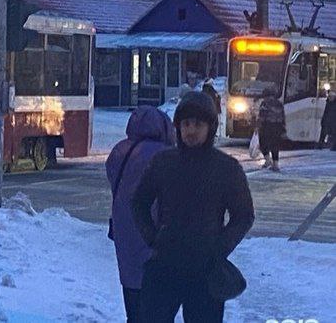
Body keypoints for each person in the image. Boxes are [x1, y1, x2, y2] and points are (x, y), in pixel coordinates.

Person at [132, 91, 254, 322]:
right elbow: (139, 202)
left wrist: (218, 248)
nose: (191, 130)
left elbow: (244, 215)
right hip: (165, 265)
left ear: (210, 127)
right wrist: (153, 238)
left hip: (205, 270)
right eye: (186, 124)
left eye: (198, 124)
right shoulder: (163, 162)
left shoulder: (226, 168)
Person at [106, 106, 176, 322]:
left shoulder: (119, 151)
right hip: (156, 232)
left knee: (132, 289)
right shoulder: (166, 154)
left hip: (124, 229)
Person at [256, 89, 286, 171]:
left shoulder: (265, 103)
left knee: (263, 144)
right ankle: (275, 165)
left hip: (267, 127)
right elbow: (283, 116)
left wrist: (257, 127)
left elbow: (262, 116)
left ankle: (268, 160)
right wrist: (283, 128)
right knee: (275, 145)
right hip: (278, 127)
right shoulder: (279, 103)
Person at [321, 87, 336, 151]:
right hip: (329, 122)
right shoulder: (328, 103)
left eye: (331, 97)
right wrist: (323, 121)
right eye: (329, 97)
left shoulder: (330, 103)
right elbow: (325, 113)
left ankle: (333, 147)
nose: (330, 98)